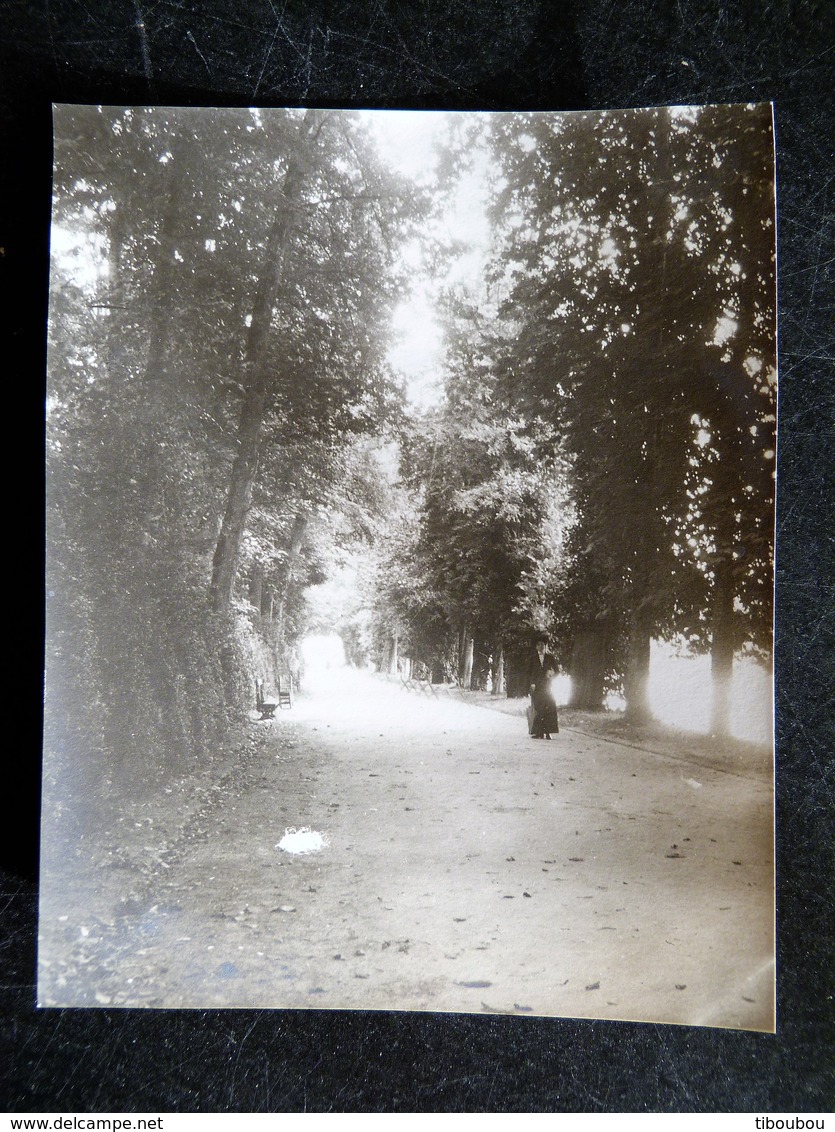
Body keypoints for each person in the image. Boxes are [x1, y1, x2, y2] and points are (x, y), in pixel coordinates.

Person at [526, 633, 560, 739]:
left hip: (547, 686)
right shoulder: (532, 658)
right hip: (536, 686)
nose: (541, 647)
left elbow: (557, 671)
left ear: (546, 646)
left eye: (543, 645)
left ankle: (548, 732)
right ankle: (538, 732)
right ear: (536, 646)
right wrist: (531, 684)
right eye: (539, 645)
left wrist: (551, 673)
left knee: (549, 707)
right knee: (538, 708)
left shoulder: (550, 658)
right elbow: (529, 672)